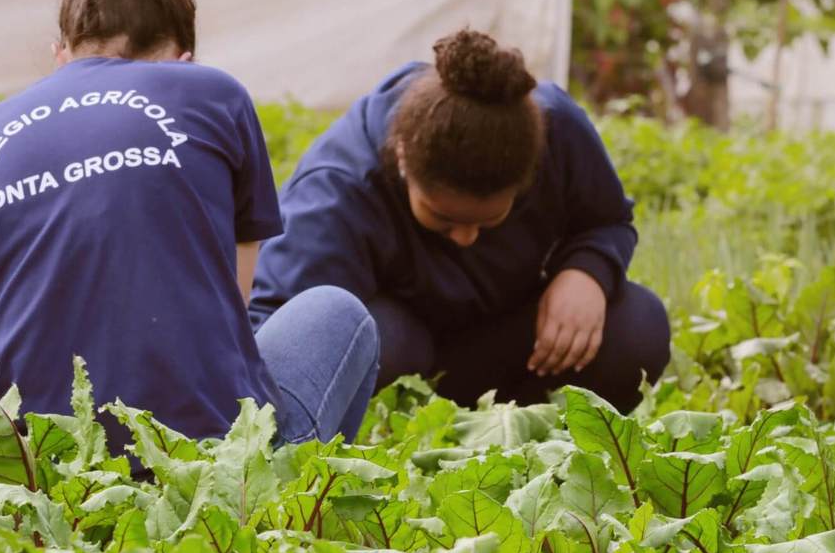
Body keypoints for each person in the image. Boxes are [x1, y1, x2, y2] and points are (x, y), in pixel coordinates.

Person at [0, 0, 378, 454]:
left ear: (59, 56)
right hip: (200, 477)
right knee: (337, 313)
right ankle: (281, 517)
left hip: (22, 482)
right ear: (183, 61)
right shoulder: (212, 93)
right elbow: (230, 317)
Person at [250, 29, 669, 411]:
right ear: (402, 161)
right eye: (443, 218)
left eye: (490, 221)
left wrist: (587, 271)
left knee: (637, 325)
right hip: (401, 366)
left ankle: (512, 431)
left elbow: (607, 221)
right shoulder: (336, 191)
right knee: (384, 336)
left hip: (501, 343)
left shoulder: (555, 129)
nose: (466, 238)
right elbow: (281, 336)